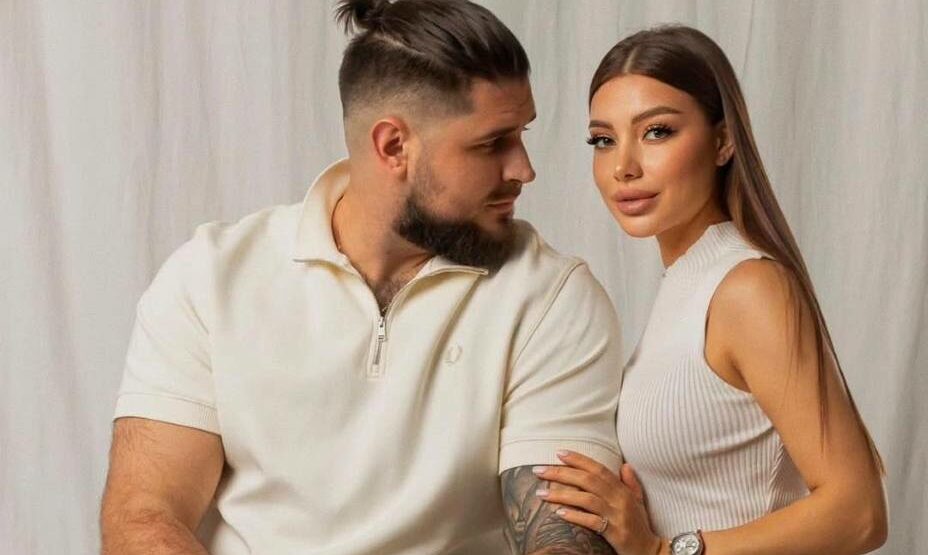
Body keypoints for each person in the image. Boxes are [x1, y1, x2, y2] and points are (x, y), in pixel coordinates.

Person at [100, 1, 623, 554]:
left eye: (522, 135)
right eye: (493, 143)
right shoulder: (210, 277)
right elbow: (143, 516)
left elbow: (560, 538)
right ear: (393, 146)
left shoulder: (551, 297)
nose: (523, 169)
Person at [533, 25, 888, 555]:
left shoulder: (748, 288)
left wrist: (662, 550)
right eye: (603, 140)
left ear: (722, 141)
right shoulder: (687, 286)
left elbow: (859, 514)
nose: (624, 167)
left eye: (657, 132)